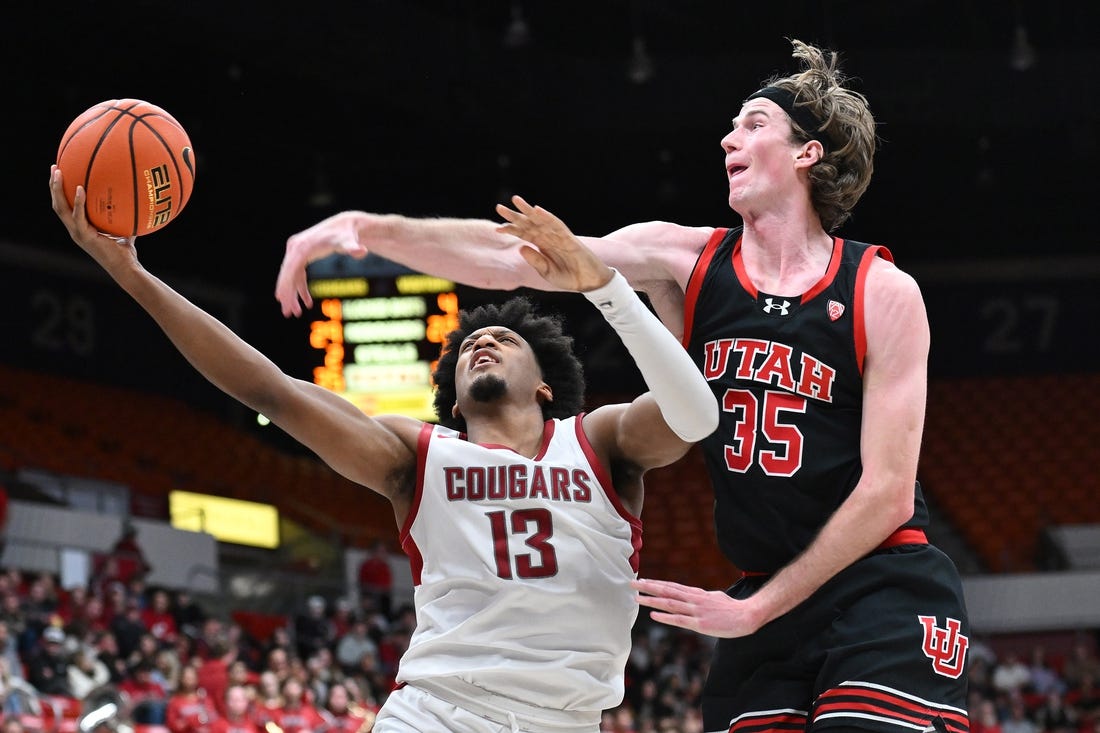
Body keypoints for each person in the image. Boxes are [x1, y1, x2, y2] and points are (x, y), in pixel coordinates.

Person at [274, 37, 972, 733]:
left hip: (880, 583)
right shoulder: (683, 258)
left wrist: (754, 610)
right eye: (730, 124)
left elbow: (885, 492)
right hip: (764, 586)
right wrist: (366, 228)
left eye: (753, 123)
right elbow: (510, 255)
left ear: (806, 153)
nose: (729, 136)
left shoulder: (880, 290)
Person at [50, 170, 717, 732]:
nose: (481, 343)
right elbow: (269, 389)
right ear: (455, 403)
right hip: (438, 713)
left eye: (504, 341)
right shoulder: (419, 454)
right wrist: (132, 275)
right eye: (465, 353)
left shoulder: (599, 441)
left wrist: (619, 287)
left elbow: (692, 413)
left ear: (546, 384)